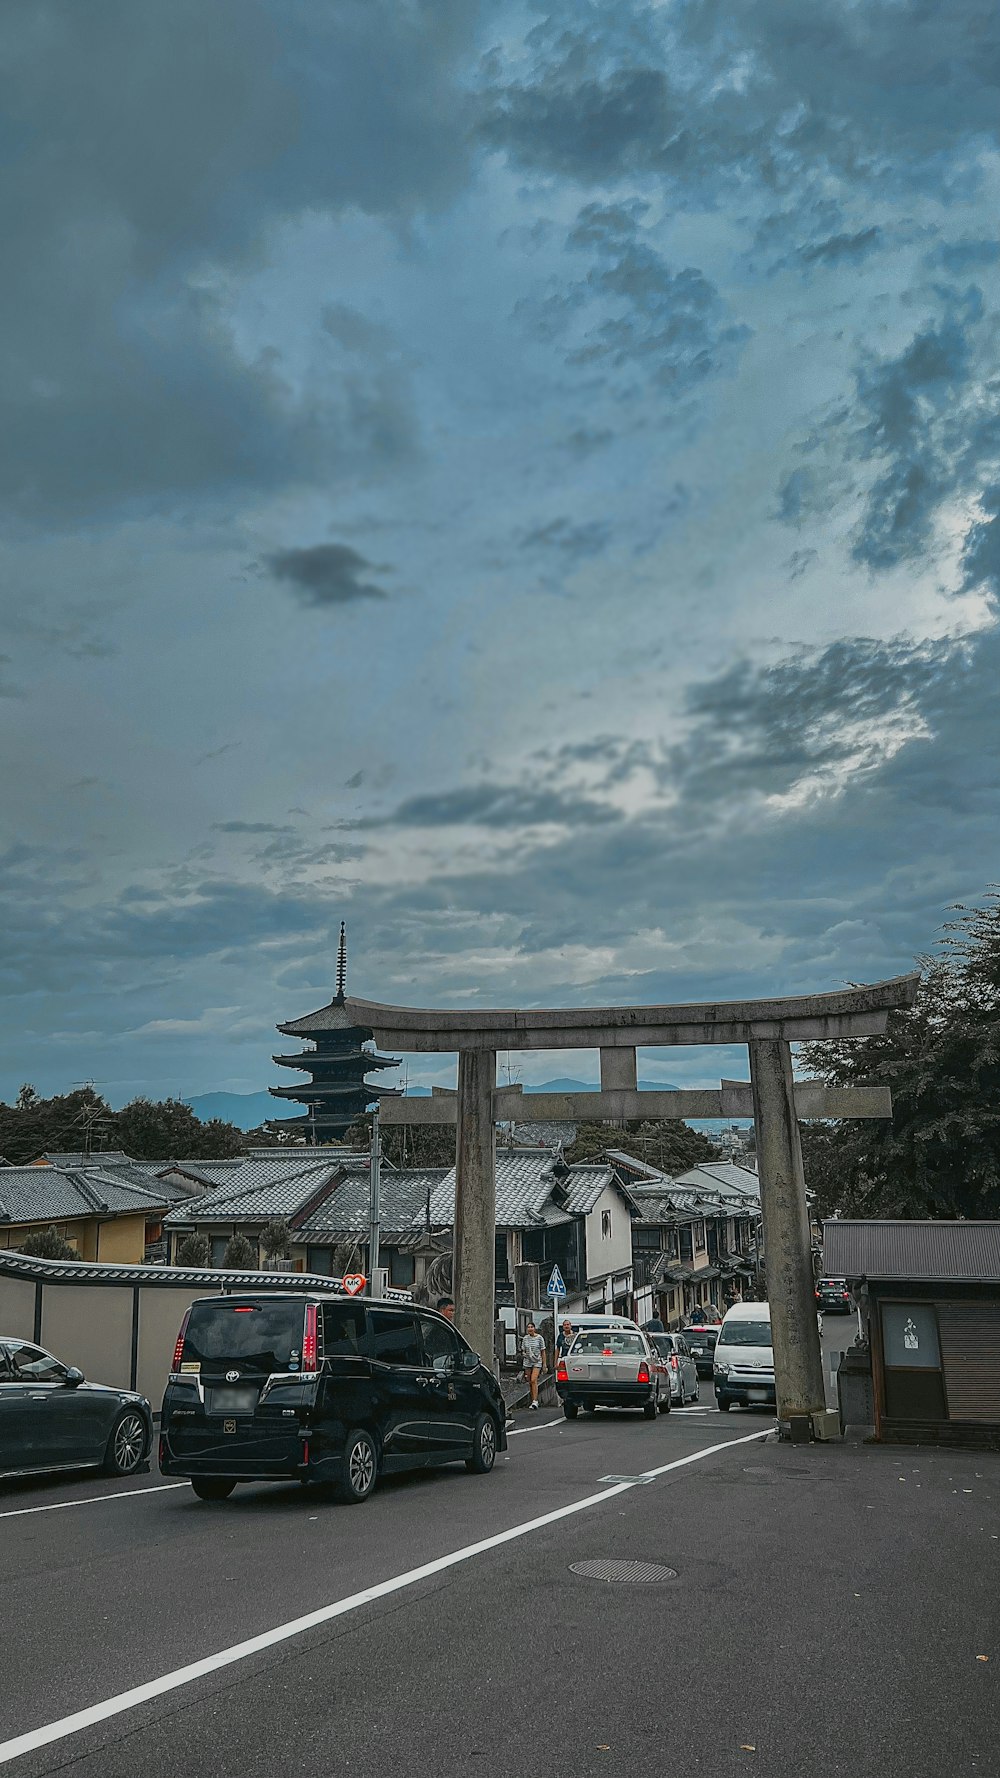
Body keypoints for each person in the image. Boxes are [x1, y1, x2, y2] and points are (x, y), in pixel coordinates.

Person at [521, 1321, 546, 1410]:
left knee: (533, 1379)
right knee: (529, 1381)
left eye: (531, 1327)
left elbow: (543, 1351)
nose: (530, 1329)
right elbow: (523, 1350)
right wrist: (524, 1354)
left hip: (537, 1361)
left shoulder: (539, 1338)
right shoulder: (525, 1339)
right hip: (527, 1361)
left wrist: (544, 1364)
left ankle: (535, 1401)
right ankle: (533, 1399)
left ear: (534, 1328)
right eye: (528, 1327)